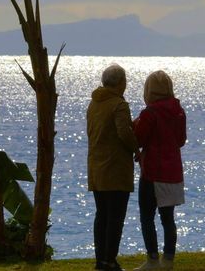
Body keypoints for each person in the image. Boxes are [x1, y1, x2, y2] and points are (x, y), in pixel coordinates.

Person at [87, 64, 140, 271]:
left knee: (101, 215)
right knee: (116, 217)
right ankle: (110, 260)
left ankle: (101, 260)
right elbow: (123, 132)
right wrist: (137, 149)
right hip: (115, 168)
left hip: (96, 167)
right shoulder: (118, 104)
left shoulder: (94, 104)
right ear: (120, 83)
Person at [133, 71, 187, 271]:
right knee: (168, 218)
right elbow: (181, 140)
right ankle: (169, 260)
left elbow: (138, 139)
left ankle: (153, 260)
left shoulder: (149, 114)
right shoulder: (178, 111)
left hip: (152, 172)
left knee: (147, 217)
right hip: (173, 172)